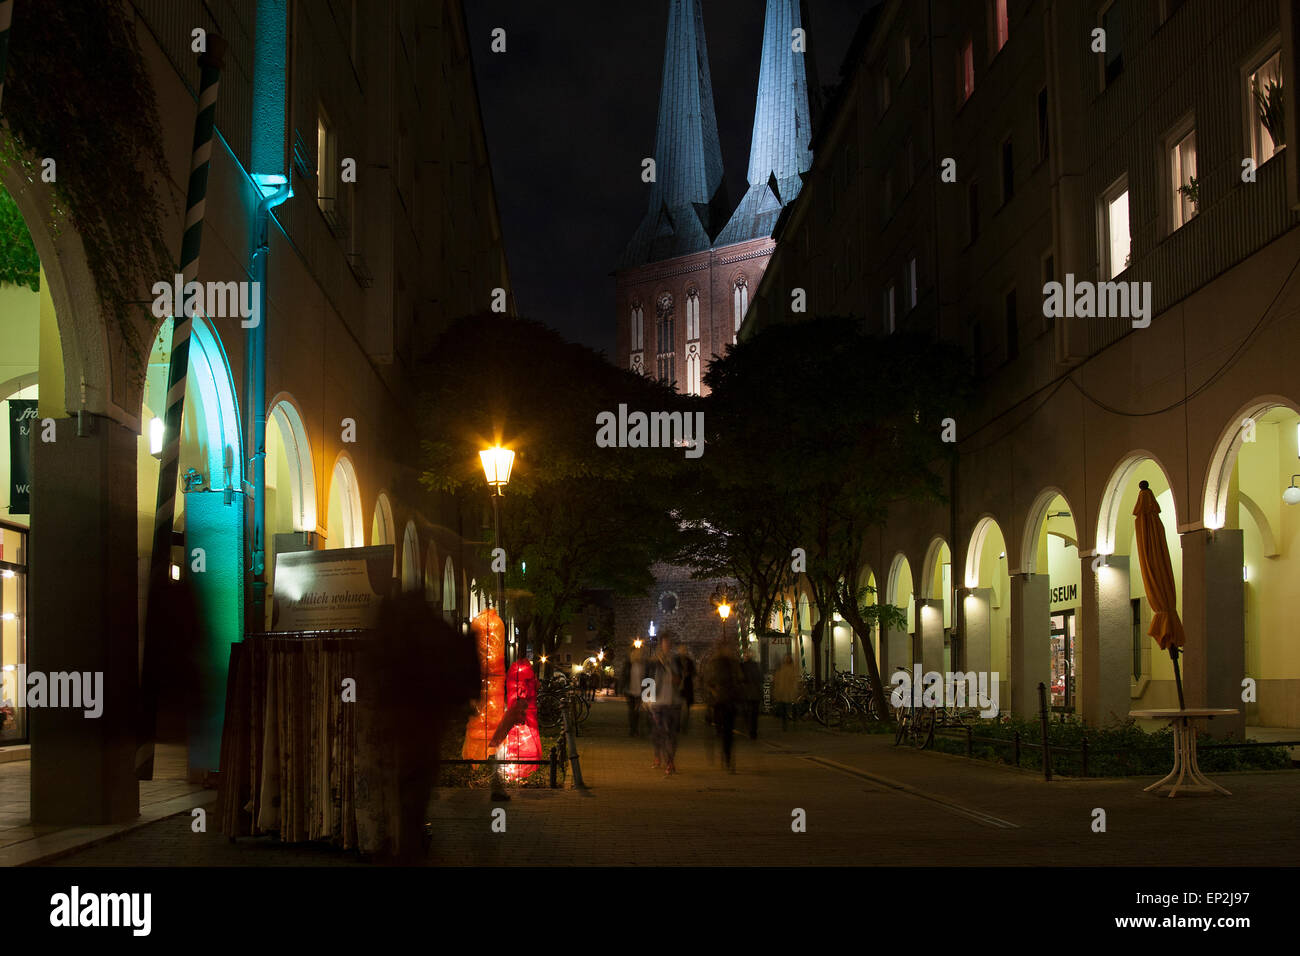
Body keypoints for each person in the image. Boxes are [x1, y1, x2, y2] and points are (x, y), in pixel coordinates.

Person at [704, 639, 744, 772]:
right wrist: (714, 693)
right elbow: (708, 681)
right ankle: (726, 755)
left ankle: (727, 757)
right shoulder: (715, 664)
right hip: (719, 701)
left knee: (729, 731)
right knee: (723, 730)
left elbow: (739, 679)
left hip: (730, 700)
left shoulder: (733, 663)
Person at [648, 633, 682, 774]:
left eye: (669, 643)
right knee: (659, 732)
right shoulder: (654, 661)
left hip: (672, 702)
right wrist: (646, 699)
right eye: (664, 643)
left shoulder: (675, 661)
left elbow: (680, 679)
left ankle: (670, 761)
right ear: (661, 644)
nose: (666, 645)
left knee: (671, 733)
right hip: (657, 702)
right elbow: (648, 679)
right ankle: (658, 756)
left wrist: (674, 674)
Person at [772, 653, 800, 731]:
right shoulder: (782, 669)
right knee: (785, 708)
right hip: (784, 693)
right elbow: (778, 680)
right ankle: (786, 723)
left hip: (789, 692)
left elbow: (794, 680)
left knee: (790, 707)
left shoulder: (791, 669)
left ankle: (792, 721)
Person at [625, 642, 646, 737]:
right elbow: (624, 677)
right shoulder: (629, 665)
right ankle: (632, 729)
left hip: (639, 692)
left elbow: (646, 678)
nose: (638, 655)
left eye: (640, 653)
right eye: (637, 653)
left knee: (637, 711)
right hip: (630, 691)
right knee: (631, 711)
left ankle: (636, 729)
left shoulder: (643, 665)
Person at [741, 647, 763, 739]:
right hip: (751, 693)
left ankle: (752, 730)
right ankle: (752, 730)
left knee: (751, 713)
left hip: (750, 693)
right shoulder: (753, 666)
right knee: (752, 713)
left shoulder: (744, 666)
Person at [677, 646, 696, 734]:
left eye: (684, 650)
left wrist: (689, 673)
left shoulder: (689, 661)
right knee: (678, 707)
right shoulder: (676, 661)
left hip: (687, 686)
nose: (683, 652)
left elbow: (694, 672)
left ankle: (684, 727)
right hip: (678, 686)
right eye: (682, 650)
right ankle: (678, 726)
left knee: (686, 708)